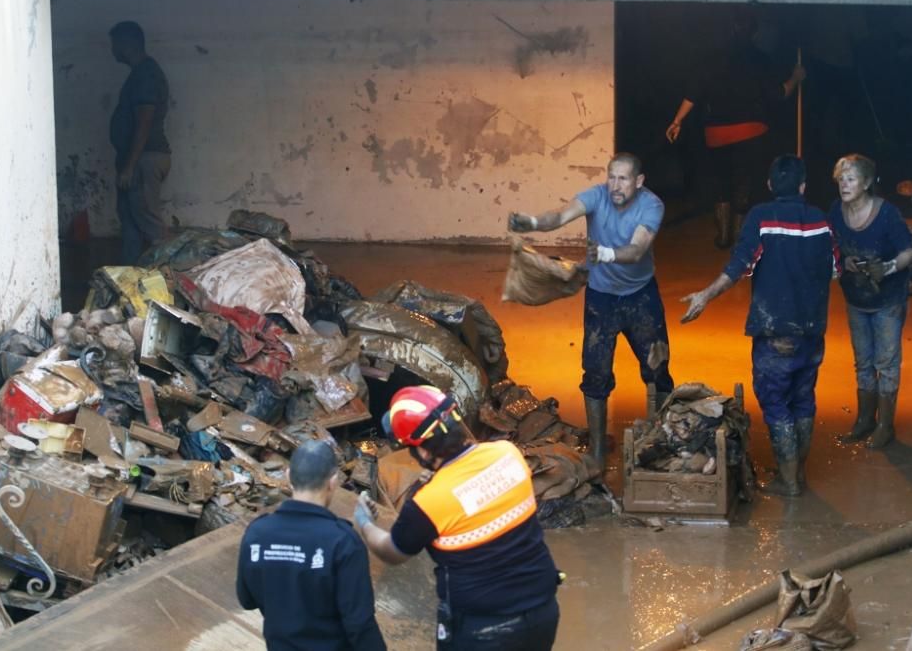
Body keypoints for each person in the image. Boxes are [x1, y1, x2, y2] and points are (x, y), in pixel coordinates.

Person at [354, 385, 561, 650]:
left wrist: (364, 523)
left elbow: (394, 551)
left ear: (425, 452)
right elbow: (475, 490)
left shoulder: (428, 502)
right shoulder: (507, 454)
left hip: (483, 630)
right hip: (542, 612)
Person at [680, 155, 836, 497]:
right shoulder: (821, 221)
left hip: (774, 332)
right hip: (812, 331)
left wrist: (705, 296)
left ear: (769, 186)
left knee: (777, 403)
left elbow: (739, 266)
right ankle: (799, 475)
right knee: (803, 399)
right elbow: (836, 269)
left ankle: (788, 480)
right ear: (803, 186)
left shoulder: (761, 217)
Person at [507, 152, 674, 467]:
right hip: (601, 299)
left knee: (657, 369)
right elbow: (559, 217)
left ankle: (659, 441)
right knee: (595, 373)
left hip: (641, 297)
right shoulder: (596, 196)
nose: (615, 185)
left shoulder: (652, 205)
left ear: (639, 182)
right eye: (611, 176)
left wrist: (607, 254)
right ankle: (597, 450)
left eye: (623, 178)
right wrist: (532, 222)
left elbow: (637, 249)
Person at [665, 10, 806, 249]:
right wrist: (796, 76)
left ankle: (723, 237)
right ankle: (741, 237)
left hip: (717, 135)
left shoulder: (713, 59)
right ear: (755, 31)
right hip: (752, 131)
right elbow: (778, 94)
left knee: (721, 182)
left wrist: (677, 120)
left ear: (732, 28)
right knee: (745, 184)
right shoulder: (761, 60)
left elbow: (694, 92)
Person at [236, 440, 386, 651]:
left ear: (288, 476)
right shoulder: (343, 542)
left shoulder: (257, 534)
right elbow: (360, 625)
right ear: (333, 481)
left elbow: (247, 600)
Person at [829, 154, 912, 449]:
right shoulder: (836, 212)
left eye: (851, 179)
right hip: (856, 298)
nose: (844, 185)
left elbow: (909, 252)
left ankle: (884, 425)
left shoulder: (887, 213)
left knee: (887, 363)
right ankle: (865, 420)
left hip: (888, 299)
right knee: (863, 363)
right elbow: (834, 247)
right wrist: (846, 262)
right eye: (841, 179)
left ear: (866, 183)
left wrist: (888, 268)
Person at [108, 21, 171, 264]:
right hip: (139, 159)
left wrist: (130, 166)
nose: (112, 50)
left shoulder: (145, 75)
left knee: (151, 224)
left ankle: (172, 282)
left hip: (144, 159)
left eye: (114, 44)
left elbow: (144, 122)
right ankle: (129, 277)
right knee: (131, 220)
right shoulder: (140, 74)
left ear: (126, 43)